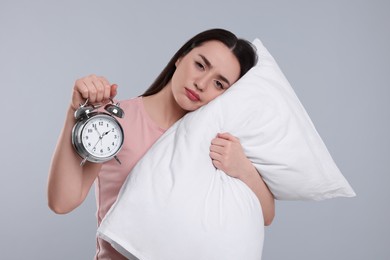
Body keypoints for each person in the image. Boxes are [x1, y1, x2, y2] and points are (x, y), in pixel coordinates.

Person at [47, 28, 275, 260]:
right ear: (181, 57)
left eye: (219, 83)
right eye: (200, 65)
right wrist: (74, 112)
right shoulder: (117, 121)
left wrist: (243, 168)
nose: (201, 83)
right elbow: (62, 202)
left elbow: (265, 215)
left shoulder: (216, 140)